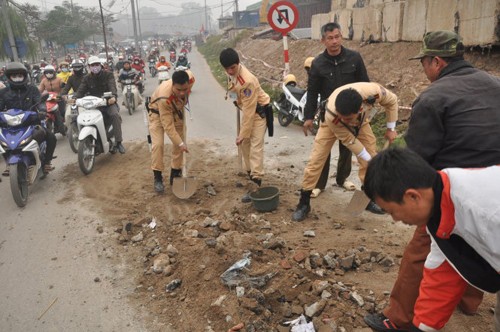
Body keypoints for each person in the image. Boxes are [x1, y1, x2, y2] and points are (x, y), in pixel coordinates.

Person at [363, 30, 500, 332]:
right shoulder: (495, 83)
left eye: (424, 62)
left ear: (436, 61)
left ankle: (399, 318)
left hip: (452, 193)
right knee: (477, 245)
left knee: (422, 252)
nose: (424, 70)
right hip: (493, 181)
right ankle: (467, 301)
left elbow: (416, 159)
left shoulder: (433, 97)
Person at [363, 147, 500, 332]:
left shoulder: (486, 213)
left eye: (392, 211)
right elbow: (442, 273)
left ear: (412, 196)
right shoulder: (441, 203)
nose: (395, 219)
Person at [292, 82, 398, 221]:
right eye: (343, 117)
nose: (345, 120)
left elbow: (392, 101)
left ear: (360, 108)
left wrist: (391, 128)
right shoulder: (333, 114)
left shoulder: (374, 92)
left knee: (370, 157)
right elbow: (349, 141)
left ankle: (367, 198)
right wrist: (371, 159)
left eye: (347, 118)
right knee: (316, 160)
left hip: (361, 121)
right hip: (332, 125)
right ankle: (304, 202)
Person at [303, 22, 370, 201]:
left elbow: (366, 84)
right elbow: (312, 93)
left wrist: (362, 110)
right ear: (323, 40)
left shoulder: (354, 58)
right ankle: (318, 185)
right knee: (322, 151)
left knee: (347, 148)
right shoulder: (318, 64)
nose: (334, 41)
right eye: (330, 38)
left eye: (337, 36)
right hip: (330, 116)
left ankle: (342, 179)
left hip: (351, 115)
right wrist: (308, 117)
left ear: (341, 37)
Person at [219, 48, 272, 202]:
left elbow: (249, 113)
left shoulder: (247, 81)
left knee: (255, 146)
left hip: (258, 113)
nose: (229, 71)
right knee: (245, 146)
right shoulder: (229, 72)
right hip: (247, 109)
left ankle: (256, 182)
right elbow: (233, 88)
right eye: (227, 68)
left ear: (238, 64)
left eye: (232, 68)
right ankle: (251, 174)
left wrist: (242, 134)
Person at [0, 62, 57, 174]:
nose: (17, 78)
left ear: (25, 76)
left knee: (51, 137)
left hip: (31, 123)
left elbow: (39, 102)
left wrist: (42, 111)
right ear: (9, 77)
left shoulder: (32, 89)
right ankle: (8, 162)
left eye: (20, 75)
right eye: (14, 76)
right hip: (10, 126)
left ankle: (46, 163)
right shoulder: (3, 92)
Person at [147, 70, 191, 192]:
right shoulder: (164, 97)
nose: (182, 93)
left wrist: (180, 143)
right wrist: (181, 144)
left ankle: (175, 174)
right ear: (173, 86)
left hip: (176, 111)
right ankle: (158, 178)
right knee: (158, 145)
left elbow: (186, 87)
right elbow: (168, 127)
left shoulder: (190, 79)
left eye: (185, 89)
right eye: (178, 90)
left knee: (179, 143)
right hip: (157, 114)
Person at [73, 56, 125, 154]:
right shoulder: (86, 78)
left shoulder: (108, 75)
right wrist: (74, 98)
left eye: (97, 64)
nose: (95, 67)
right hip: (93, 106)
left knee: (115, 115)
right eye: (92, 65)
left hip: (108, 103)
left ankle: (119, 142)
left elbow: (112, 86)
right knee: (81, 118)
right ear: (89, 67)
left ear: (100, 65)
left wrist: (113, 96)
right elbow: (81, 90)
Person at [38, 65, 66, 135]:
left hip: (59, 99)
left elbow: (64, 88)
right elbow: (40, 90)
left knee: (62, 112)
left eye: (50, 72)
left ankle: (62, 124)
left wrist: (61, 95)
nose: (48, 74)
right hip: (49, 100)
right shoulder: (44, 81)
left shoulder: (59, 79)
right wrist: (37, 96)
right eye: (46, 72)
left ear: (54, 72)